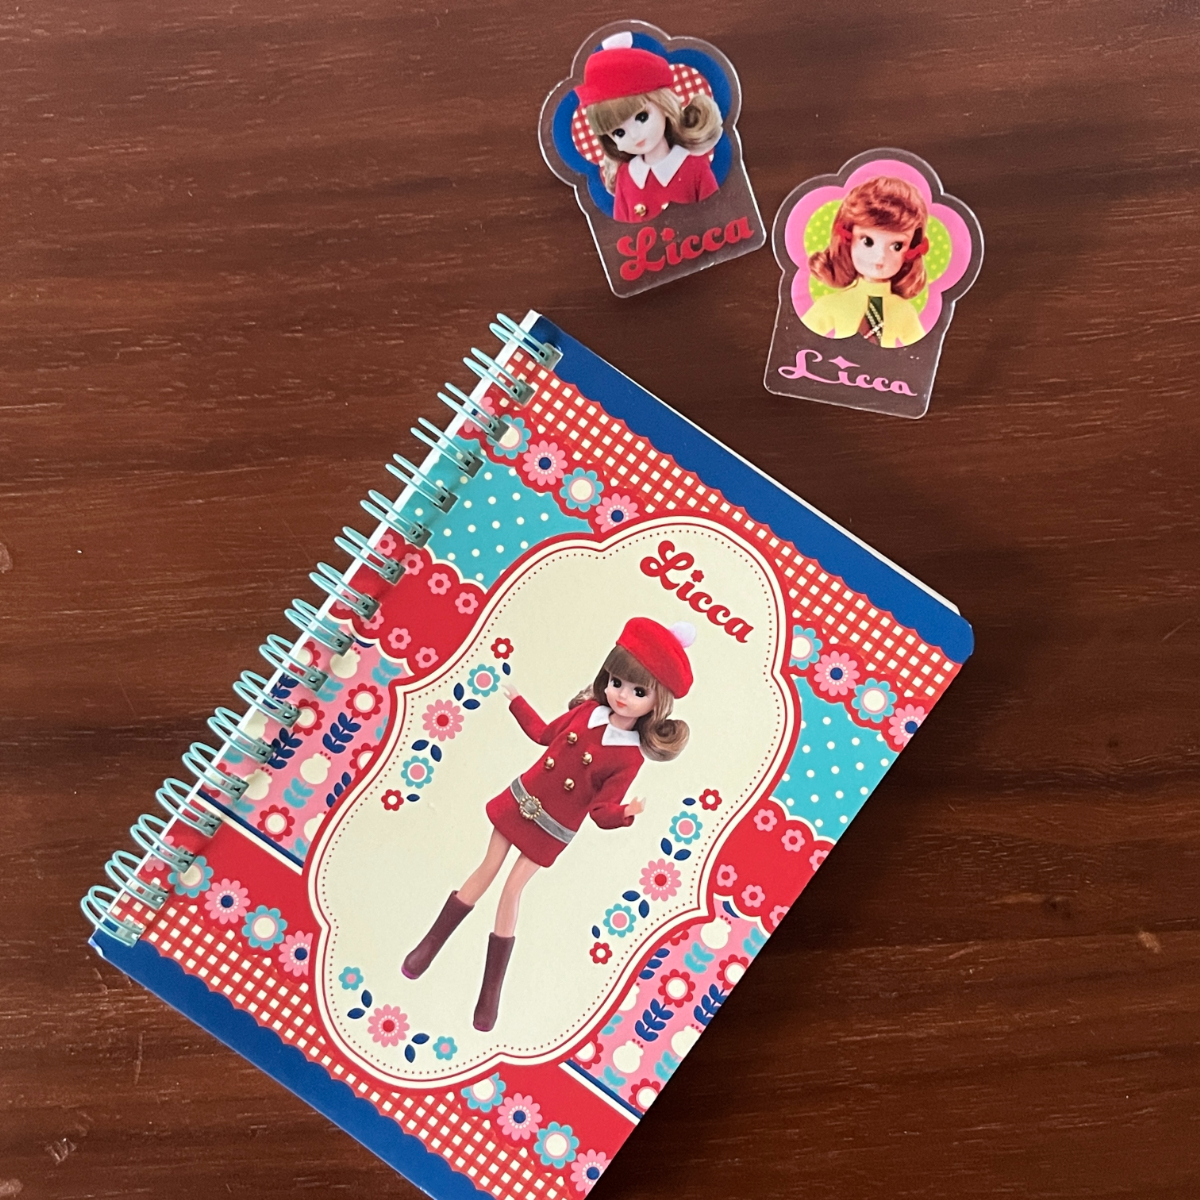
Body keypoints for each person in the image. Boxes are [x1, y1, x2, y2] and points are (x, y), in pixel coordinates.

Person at [401, 617, 694, 1032]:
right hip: (524, 798)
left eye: (638, 691)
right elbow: (543, 734)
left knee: (512, 890)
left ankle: (490, 992)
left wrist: (625, 813)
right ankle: (428, 947)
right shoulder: (587, 712)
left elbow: (601, 811)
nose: (622, 695)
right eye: (617, 682)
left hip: (555, 825)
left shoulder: (629, 756)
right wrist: (517, 701)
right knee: (486, 868)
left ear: (656, 702)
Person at [575, 33, 722, 224]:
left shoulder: (693, 166)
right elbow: (621, 229)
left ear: (664, 106)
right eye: (619, 133)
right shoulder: (626, 177)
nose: (634, 134)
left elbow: (718, 215)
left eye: (642, 117)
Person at [800, 176, 931, 348]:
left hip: (888, 366)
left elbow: (922, 351)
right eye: (867, 241)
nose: (880, 256)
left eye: (897, 246)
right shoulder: (832, 304)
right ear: (848, 238)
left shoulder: (903, 311)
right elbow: (798, 339)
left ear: (911, 249)